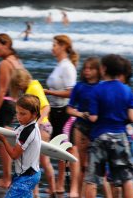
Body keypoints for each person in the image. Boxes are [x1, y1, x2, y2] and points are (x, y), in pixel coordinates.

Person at [84, 54, 133, 198]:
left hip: (100, 136)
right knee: (126, 178)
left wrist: (86, 115)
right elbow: (132, 117)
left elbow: (94, 117)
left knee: (92, 179)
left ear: (104, 69)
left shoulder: (97, 90)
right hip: (120, 136)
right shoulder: (127, 90)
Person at [10, 69, 56, 196]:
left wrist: (35, 124)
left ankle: (48, 192)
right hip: (44, 127)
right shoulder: (33, 85)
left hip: (43, 128)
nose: (18, 89)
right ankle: (43, 192)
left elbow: (46, 107)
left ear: (20, 82)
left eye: (17, 85)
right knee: (37, 163)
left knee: (37, 163)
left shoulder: (33, 87)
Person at [0, 33, 24, 188]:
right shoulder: (16, 61)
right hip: (12, 105)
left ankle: (7, 178)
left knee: (1, 142)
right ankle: (9, 176)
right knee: (3, 141)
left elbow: (2, 90)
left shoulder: (4, 64)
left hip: (2, 106)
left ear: (6, 44)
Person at [44, 34, 79, 197]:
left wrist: (49, 92)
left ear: (64, 46)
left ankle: (72, 187)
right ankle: (59, 184)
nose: (52, 47)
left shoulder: (67, 67)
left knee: (68, 149)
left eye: (55, 45)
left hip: (65, 112)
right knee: (58, 148)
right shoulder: (59, 65)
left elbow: (72, 92)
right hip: (54, 111)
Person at [0, 94, 42, 197]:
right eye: (17, 113)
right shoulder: (24, 125)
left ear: (34, 114)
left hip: (27, 176)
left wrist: (3, 140)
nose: (19, 117)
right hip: (28, 174)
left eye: (23, 114)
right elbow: (15, 132)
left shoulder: (28, 131)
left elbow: (14, 155)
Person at [66, 57, 101, 196]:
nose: (87, 71)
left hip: (97, 128)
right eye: (85, 68)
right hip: (80, 126)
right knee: (81, 165)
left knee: (91, 165)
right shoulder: (79, 86)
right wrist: (81, 114)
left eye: (91, 69)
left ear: (98, 70)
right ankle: (79, 193)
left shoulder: (102, 86)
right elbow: (69, 109)